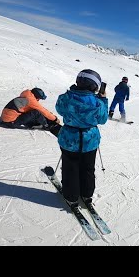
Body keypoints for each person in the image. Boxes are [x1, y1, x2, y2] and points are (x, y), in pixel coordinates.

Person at [55, 69, 109, 207]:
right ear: (95, 86)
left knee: (70, 168)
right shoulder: (97, 102)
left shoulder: (66, 97)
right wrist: (103, 99)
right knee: (88, 168)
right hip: (89, 141)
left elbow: (59, 109)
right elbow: (103, 119)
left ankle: (71, 196)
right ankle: (86, 194)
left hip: (69, 140)